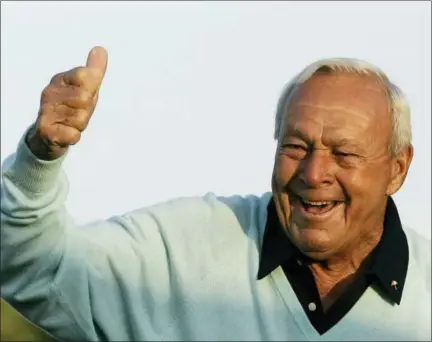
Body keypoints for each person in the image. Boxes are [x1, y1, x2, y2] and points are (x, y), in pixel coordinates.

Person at [1, 46, 430, 342]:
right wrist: (39, 159)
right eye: (295, 147)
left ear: (398, 168)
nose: (314, 173)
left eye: (344, 153)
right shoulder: (184, 253)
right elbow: (35, 267)